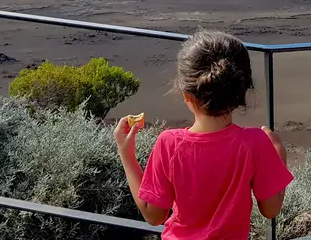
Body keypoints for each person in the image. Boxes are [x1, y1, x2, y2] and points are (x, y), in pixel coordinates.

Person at [113, 30, 294, 239]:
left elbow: (153, 216)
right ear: (241, 92)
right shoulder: (255, 143)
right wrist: (278, 152)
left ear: (186, 94)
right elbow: (270, 209)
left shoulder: (169, 144)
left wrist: (126, 155)